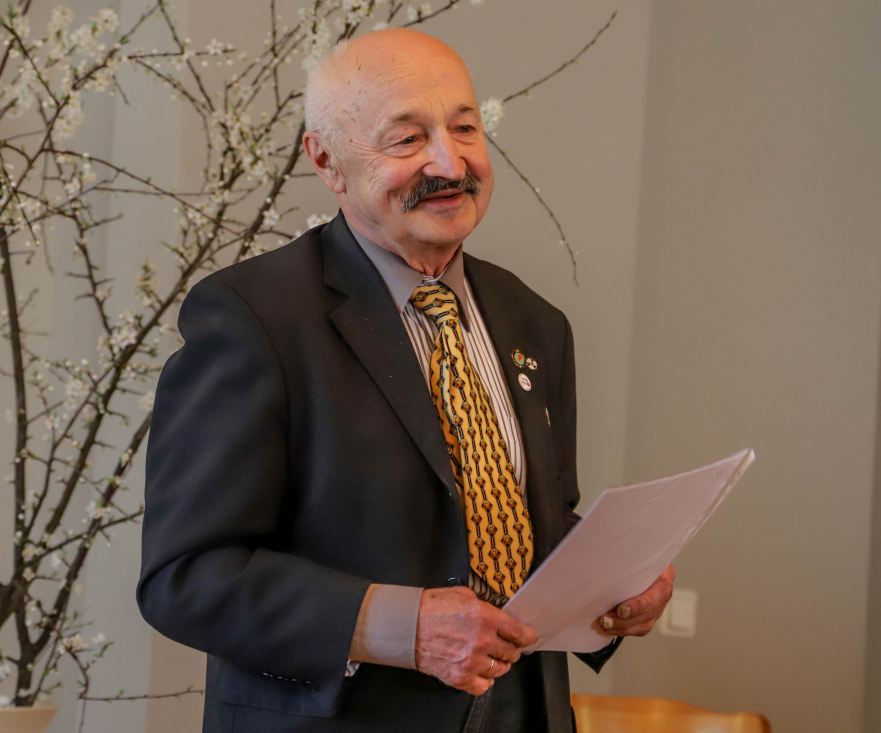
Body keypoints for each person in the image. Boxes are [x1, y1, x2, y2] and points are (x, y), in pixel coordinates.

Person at [137, 28, 674, 733]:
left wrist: (613, 583)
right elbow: (187, 577)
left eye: (464, 128)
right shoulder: (253, 318)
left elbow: (522, 525)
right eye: (408, 139)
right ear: (326, 160)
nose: (450, 163)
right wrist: (401, 626)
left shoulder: (536, 322)